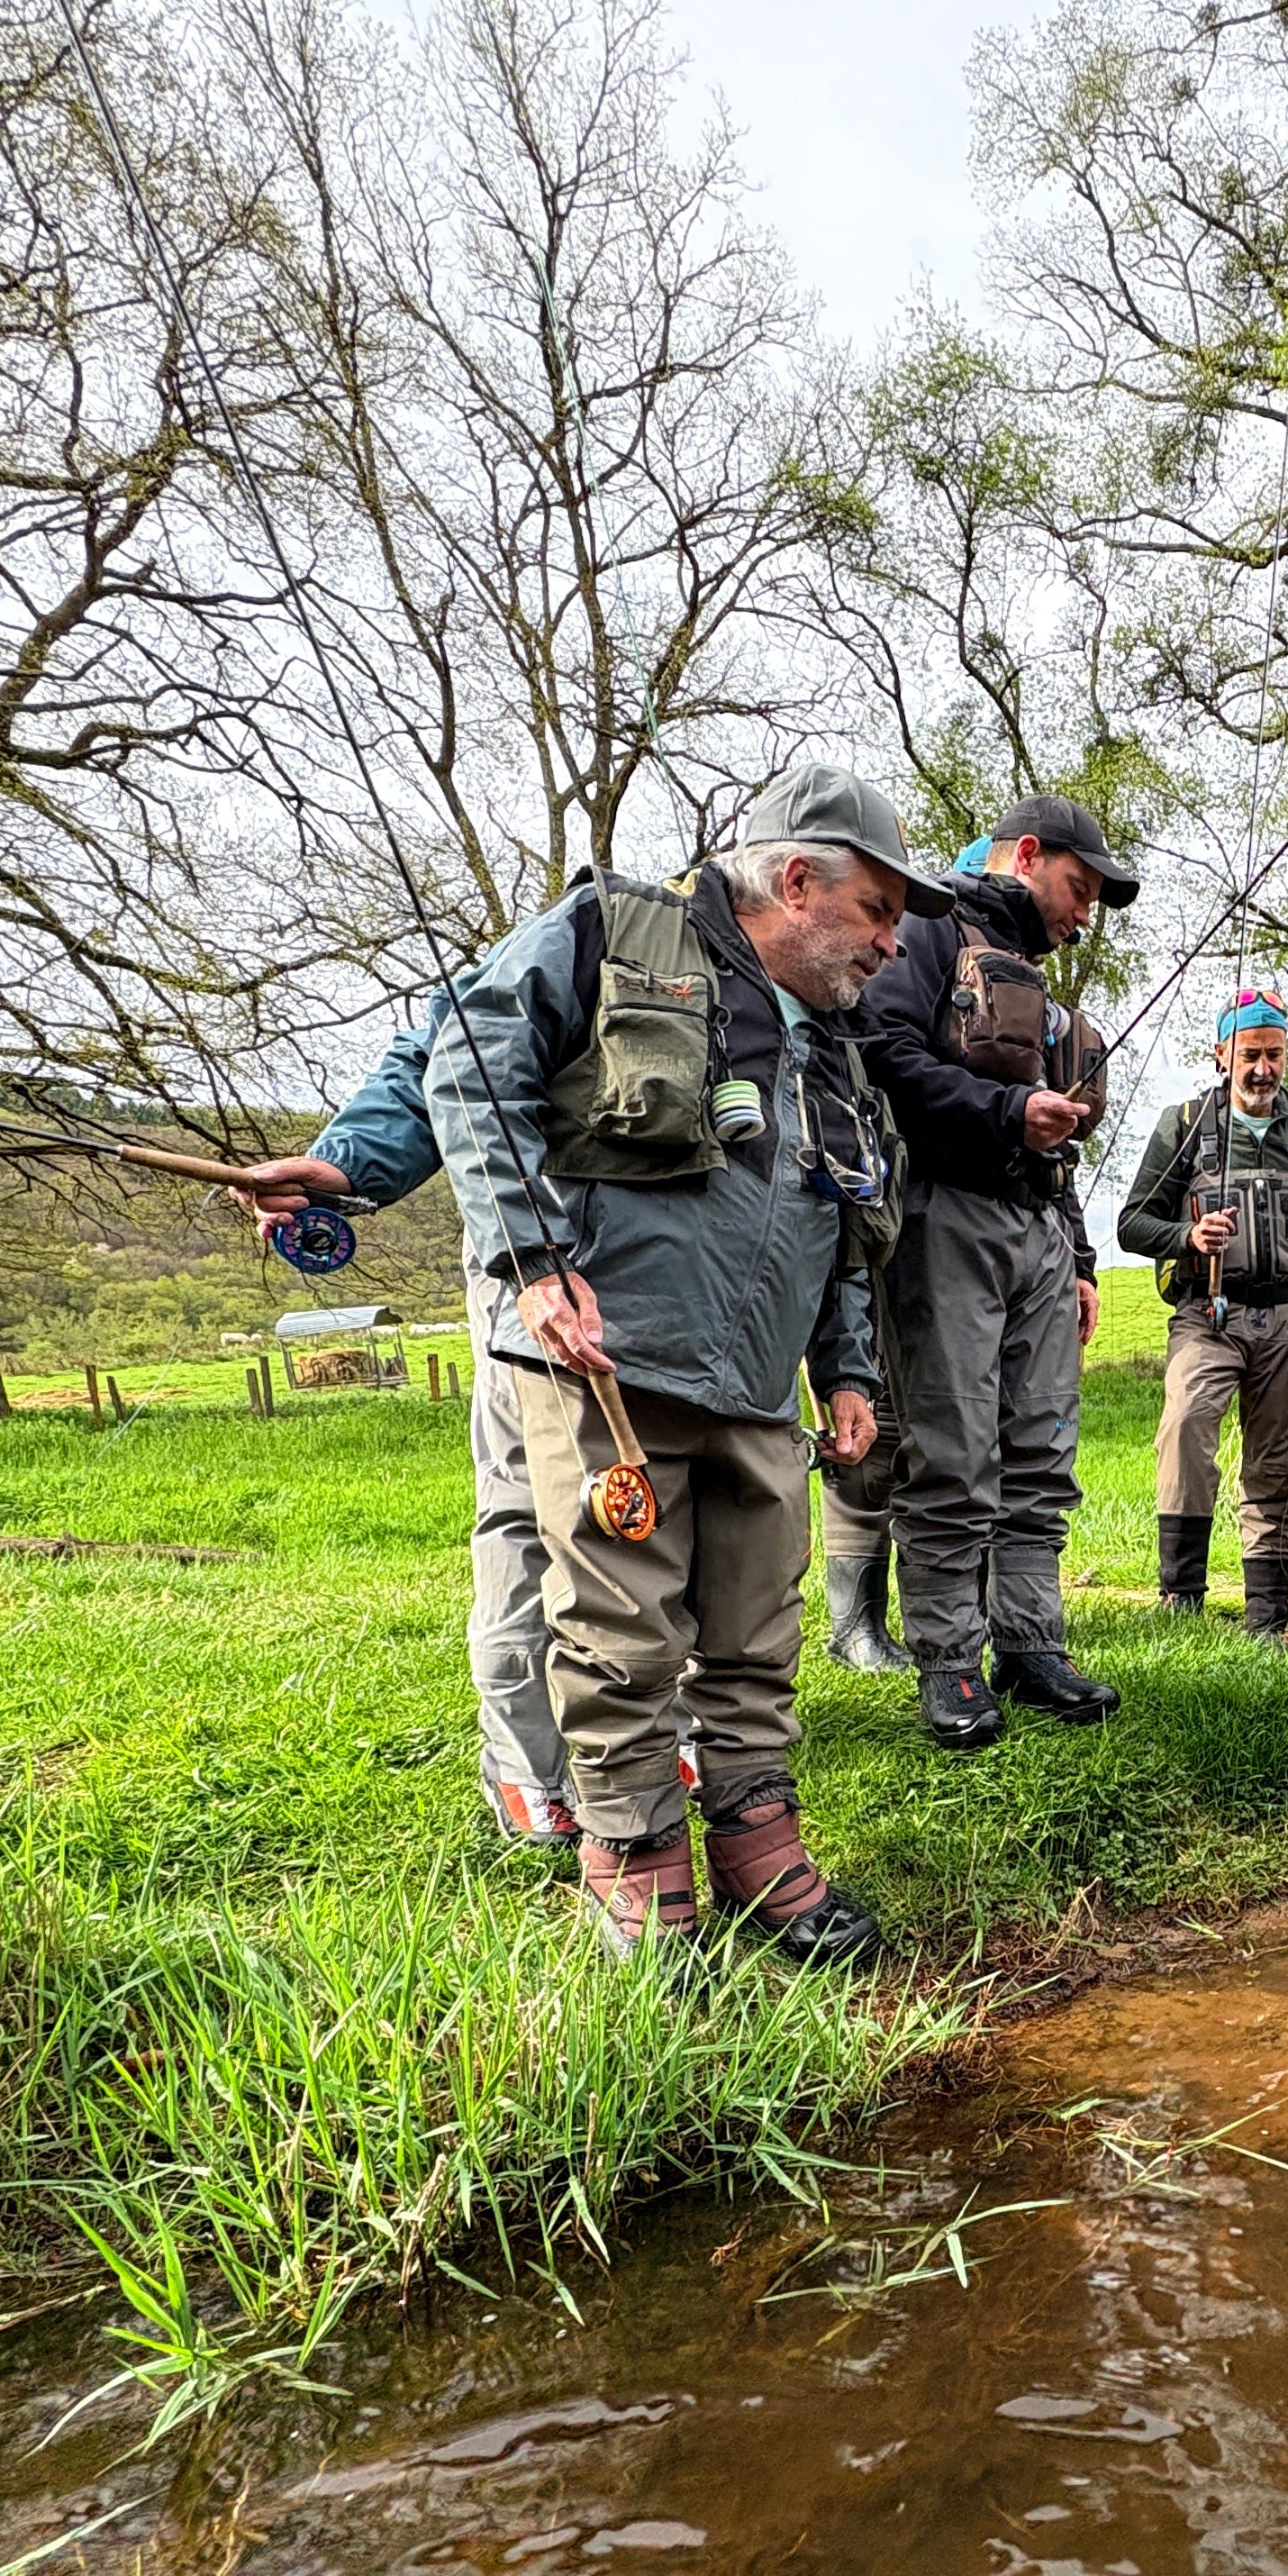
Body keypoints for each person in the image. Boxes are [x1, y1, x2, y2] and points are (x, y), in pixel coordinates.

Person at [426, 762, 926, 1970]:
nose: (891, 943)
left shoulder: (844, 1059)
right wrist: (530, 1260)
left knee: (757, 1639)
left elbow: (846, 1235)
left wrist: (848, 1373)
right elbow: (465, 1060)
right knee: (622, 1638)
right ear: (797, 879)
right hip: (614, 1369)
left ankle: (761, 1858)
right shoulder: (616, 930)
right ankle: (638, 1877)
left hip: (757, 1398)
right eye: (878, 912)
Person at [226, 1002, 585, 1850]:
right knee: (524, 1513)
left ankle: (666, 1731)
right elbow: (440, 1058)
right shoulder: (568, 945)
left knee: (669, 1507)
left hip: (690, 1271)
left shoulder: (789, 967)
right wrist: (338, 1166)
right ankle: (526, 1768)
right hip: (530, 1254)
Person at [839, 795, 1129, 1752]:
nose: (1082, 912)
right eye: (1078, 888)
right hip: (942, 1220)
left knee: (1040, 1453)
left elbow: (1061, 1138)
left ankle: (1030, 1645)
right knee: (954, 1452)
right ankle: (950, 1660)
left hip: (1040, 1231)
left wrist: (1081, 1260)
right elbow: (882, 1055)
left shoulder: (1044, 991)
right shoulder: (927, 929)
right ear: (1029, 856)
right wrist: (1006, 1114)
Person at [1113, 986, 1288, 1635]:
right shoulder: (1184, 1126)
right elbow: (1133, 1223)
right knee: (1186, 1429)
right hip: (1206, 1315)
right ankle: (1181, 1599)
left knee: (1279, 1464)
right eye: (1250, 1054)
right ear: (1222, 1053)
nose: (1263, 1069)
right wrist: (1186, 1237)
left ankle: (1266, 1621)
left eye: (1274, 1054)